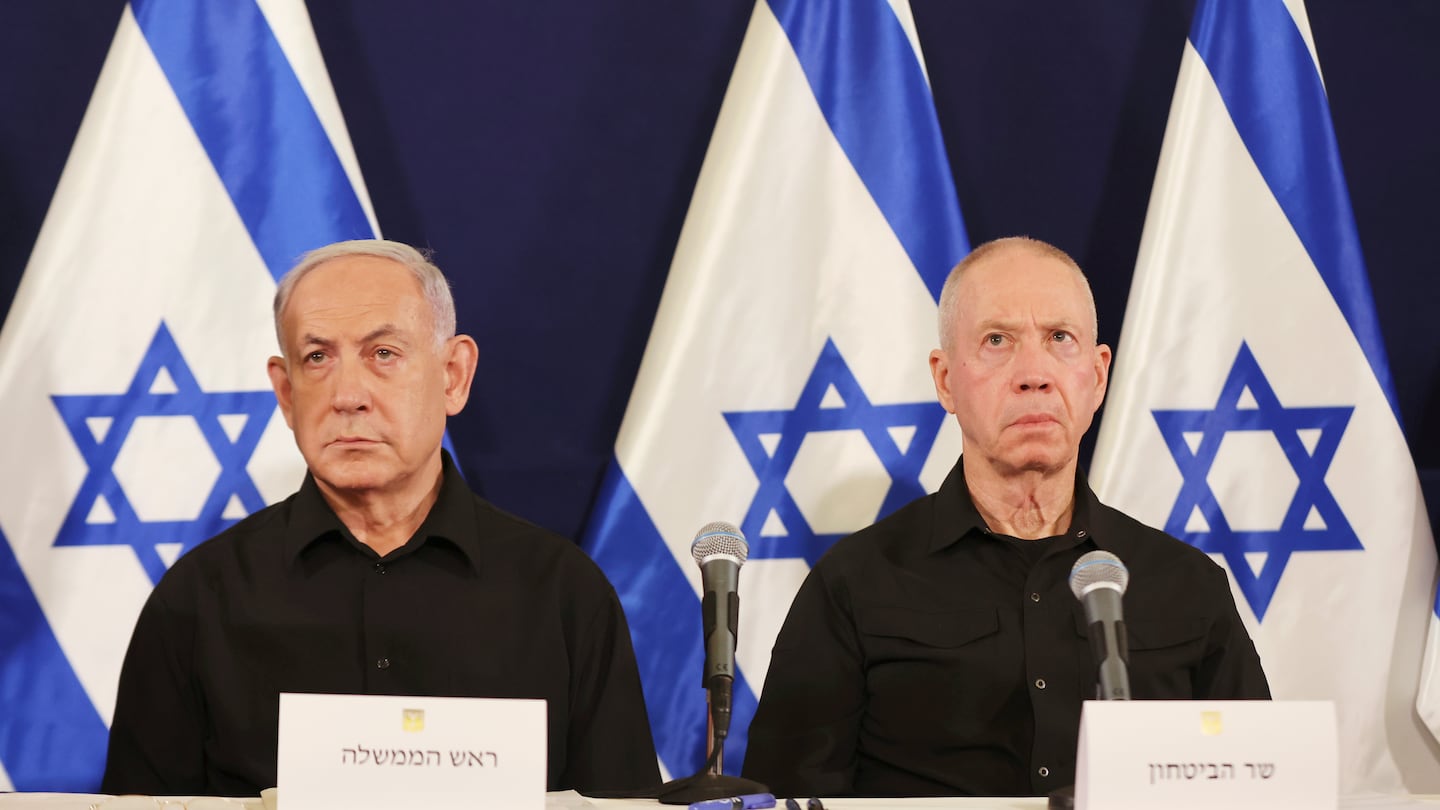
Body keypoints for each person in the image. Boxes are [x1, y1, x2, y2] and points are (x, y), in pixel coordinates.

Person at [102, 239, 659, 796]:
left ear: (453, 375)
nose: (347, 395)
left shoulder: (563, 595)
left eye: (383, 354)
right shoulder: (198, 601)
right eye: (317, 357)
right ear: (286, 392)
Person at [742, 236, 1269, 797]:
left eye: (1059, 339)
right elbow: (781, 798)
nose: (1034, 373)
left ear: (1098, 376)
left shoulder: (1188, 584)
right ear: (945, 380)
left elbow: (1259, 788)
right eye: (997, 340)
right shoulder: (854, 583)